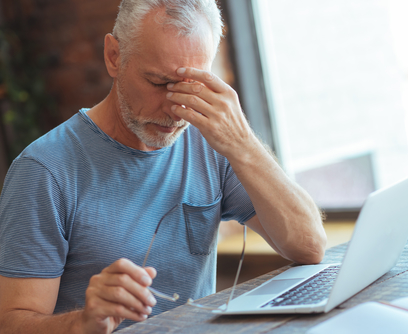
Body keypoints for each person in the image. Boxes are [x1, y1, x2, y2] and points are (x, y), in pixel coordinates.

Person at [0, 0, 327, 333]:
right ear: (114, 56)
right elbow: (11, 322)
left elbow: (309, 246)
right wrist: (82, 323)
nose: (176, 110)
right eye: (158, 83)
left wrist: (242, 143)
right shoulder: (44, 171)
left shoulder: (210, 140)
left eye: (191, 86)